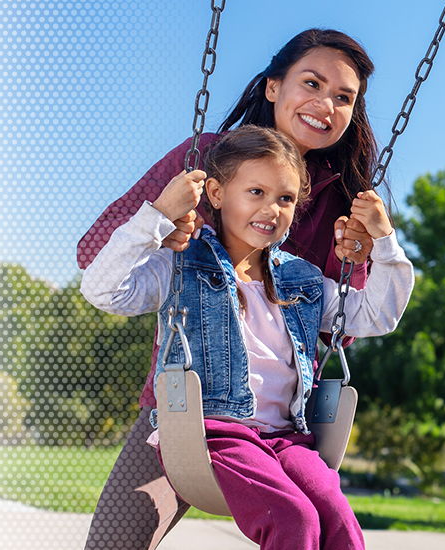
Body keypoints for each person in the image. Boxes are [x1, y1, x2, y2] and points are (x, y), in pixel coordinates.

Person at [76, 29, 385, 549]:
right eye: (311, 83)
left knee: (317, 523)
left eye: (343, 97)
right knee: (112, 545)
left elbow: (341, 334)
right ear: (272, 87)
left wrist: (362, 254)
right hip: (187, 411)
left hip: (282, 426)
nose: (325, 104)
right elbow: (96, 254)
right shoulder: (205, 160)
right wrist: (161, 230)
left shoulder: (346, 200)